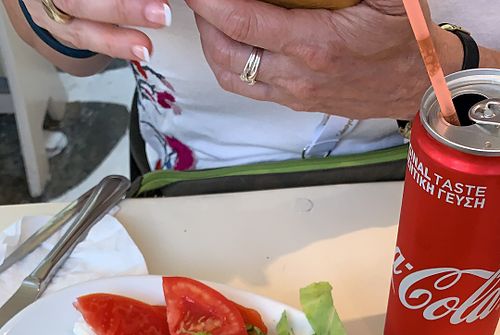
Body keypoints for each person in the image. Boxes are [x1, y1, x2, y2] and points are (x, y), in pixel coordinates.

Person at [3, 0, 500, 173]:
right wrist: (58, 16)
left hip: (451, 188)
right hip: (189, 188)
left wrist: (446, 80)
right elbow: (72, 59)